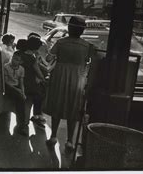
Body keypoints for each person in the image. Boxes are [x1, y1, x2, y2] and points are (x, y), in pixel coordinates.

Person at [44, 16, 94, 152]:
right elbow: (89, 62)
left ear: (69, 28)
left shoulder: (60, 42)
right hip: (77, 77)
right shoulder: (86, 45)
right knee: (74, 107)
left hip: (60, 75)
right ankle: (70, 141)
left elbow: (49, 57)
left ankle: (53, 136)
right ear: (82, 31)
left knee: (58, 104)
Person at [22, 37, 47, 130]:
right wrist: (43, 79)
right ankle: (38, 114)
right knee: (42, 91)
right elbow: (38, 72)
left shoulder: (22, 54)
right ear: (36, 48)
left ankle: (37, 114)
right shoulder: (32, 58)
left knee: (40, 90)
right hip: (28, 84)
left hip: (23, 80)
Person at [3, 51, 26, 135]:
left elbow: (21, 83)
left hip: (16, 88)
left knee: (21, 99)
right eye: (13, 58)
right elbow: (6, 82)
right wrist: (18, 91)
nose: (13, 60)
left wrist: (23, 92)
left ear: (21, 62)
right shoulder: (6, 67)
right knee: (20, 100)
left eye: (17, 60)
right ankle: (21, 126)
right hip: (8, 87)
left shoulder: (21, 69)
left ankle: (21, 124)